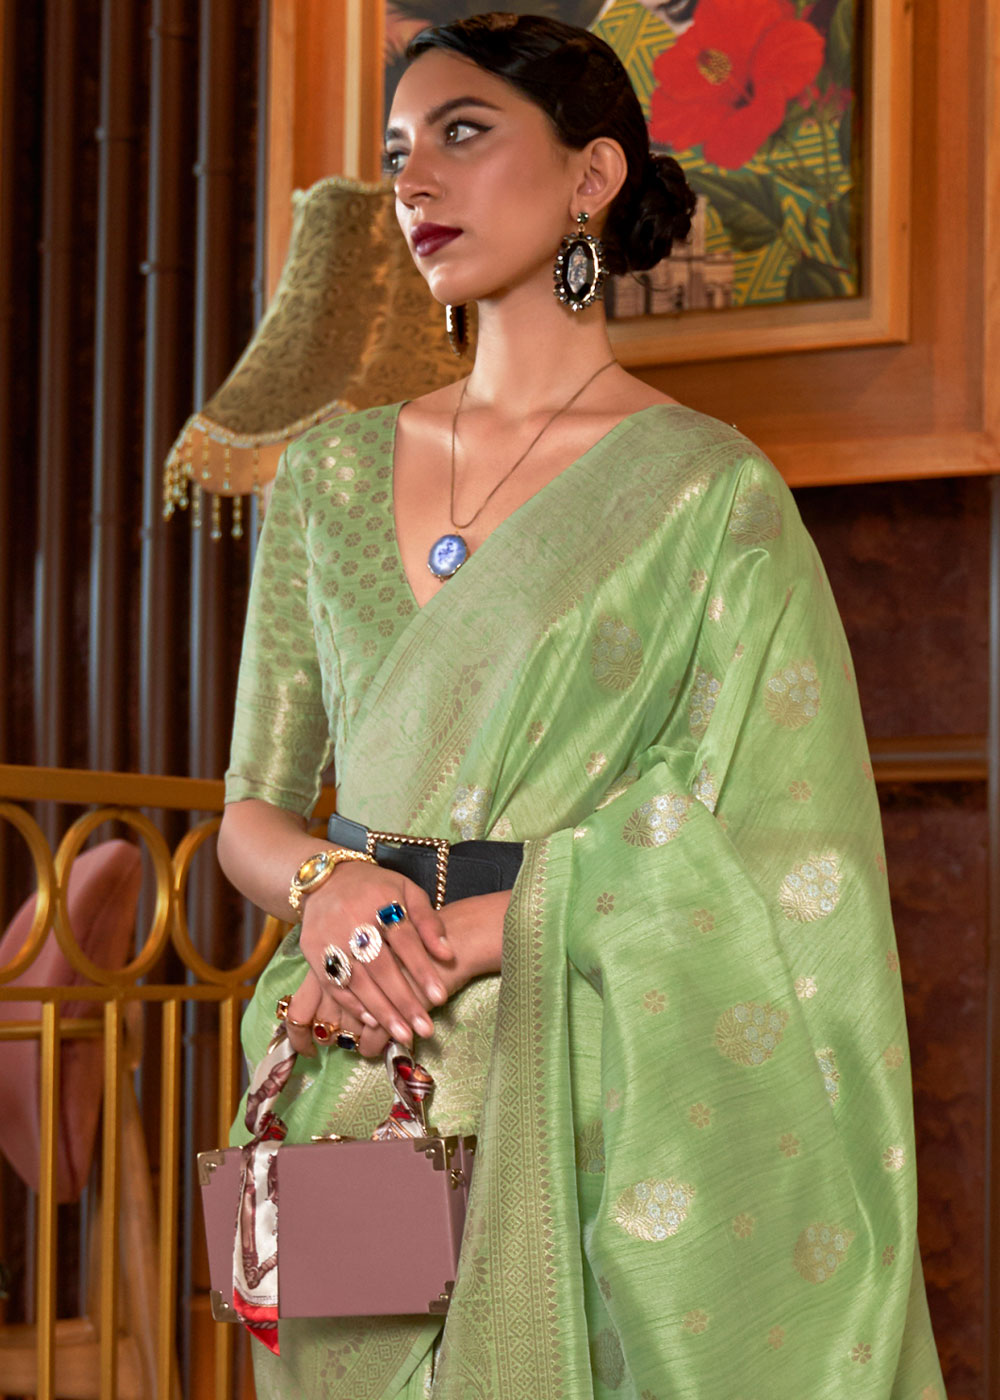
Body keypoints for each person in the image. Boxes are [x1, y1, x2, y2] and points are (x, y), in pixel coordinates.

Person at [218, 13, 944, 1399]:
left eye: (463, 133)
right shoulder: (328, 474)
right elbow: (250, 807)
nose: (415, 180)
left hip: (591, 1065)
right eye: (397, 151)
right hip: (352, 1046)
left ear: (592, 175)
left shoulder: (707, 495)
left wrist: (503, 924)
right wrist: (324, 887)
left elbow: (780, 848)